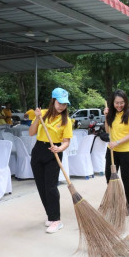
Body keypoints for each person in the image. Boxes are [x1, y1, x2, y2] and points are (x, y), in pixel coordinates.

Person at [29, 87, 73, 233]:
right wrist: (37, 118)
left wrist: (60, 148)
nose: (62, 106)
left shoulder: (66, 120)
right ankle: (51, 216)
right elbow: (31, 133)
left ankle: (57, 220)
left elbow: (66, 141)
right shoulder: (42, 114)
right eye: (59, 103)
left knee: (51, 187)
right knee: (41, 187)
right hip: (38, 151)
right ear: (53, 100)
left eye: (64, 104)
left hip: (54, 153)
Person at [104, 89, 129, 216]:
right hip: (113, 150)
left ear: (126, 101)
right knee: (109, 176)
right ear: (112, 102)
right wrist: (106, 117)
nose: (119, 105)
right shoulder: (112, 114)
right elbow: (108, 131)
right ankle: (114, 202)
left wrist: (117, 142)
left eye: (122, 102)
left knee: (126, 178)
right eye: (117, 103)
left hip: (127, 151)